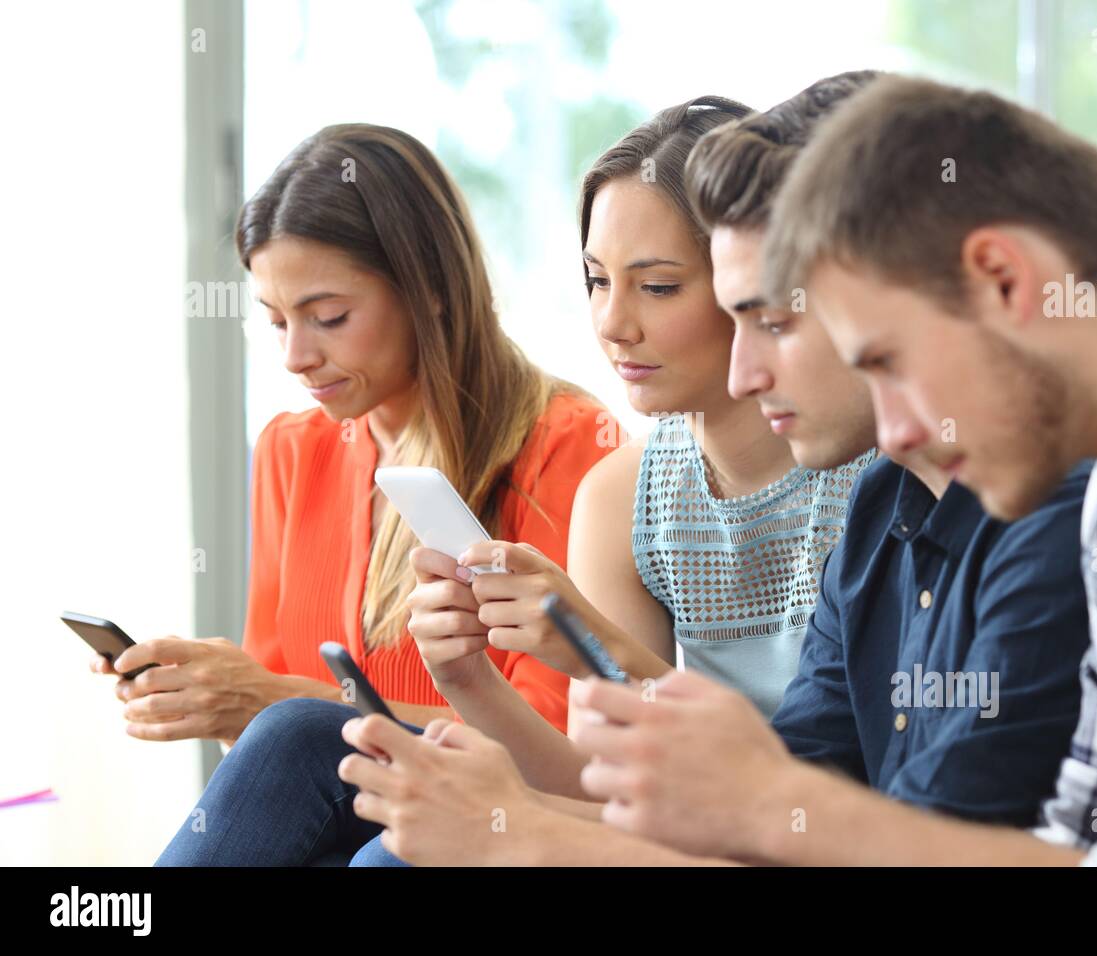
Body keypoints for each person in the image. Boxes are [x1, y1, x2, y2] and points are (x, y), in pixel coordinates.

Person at [330, 73, 1096, 866]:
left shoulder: (1048, 518)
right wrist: (482, 716)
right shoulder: (883, 509)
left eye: (773, 321)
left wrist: (527, 834)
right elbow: (770, 818)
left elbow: (811, 830)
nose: (744, 371)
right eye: (595, 281)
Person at [571, 75, 1097, 866]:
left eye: (888, 361)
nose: (900, 431)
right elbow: (1087, 843)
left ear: (1003, 278)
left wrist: (771, 804)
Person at [157, 98, 872, 866]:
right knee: (307, 748)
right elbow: (606, 782)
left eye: (658, 287)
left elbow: (802, 798)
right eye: (596, 280)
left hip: (767, 832)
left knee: (381, 841)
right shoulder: (623, 490)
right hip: (673, 821)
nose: (612, 323)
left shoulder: (871, 484)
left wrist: (594, 651)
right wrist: (469, 679)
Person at [106, 123, 614, 751]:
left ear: (428, 287)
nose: (295, 356)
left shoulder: (567, 446)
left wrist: (278, 700)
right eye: (275, 321)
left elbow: (556, 744)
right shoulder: (291, 450)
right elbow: (265, 741)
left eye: (328, 318)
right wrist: (214, 698)